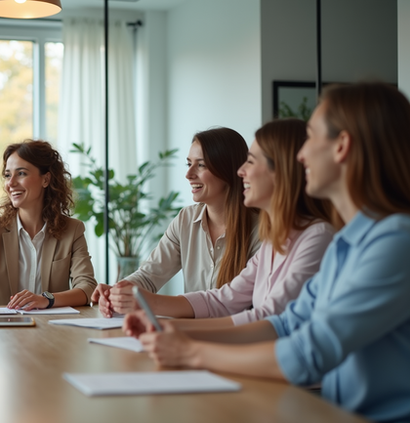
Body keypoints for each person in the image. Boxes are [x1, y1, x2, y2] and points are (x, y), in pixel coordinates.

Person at [124, 82, 410, 422]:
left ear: (342, 147)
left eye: (312, 137)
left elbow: (308, 353)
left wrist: (192, 352)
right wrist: (176, 332)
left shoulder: (394, 243)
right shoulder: (347, 244)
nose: (302, 155)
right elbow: (285, 322)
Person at [129, 119, 337, 328]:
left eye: (251, 162)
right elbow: (223, 300)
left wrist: (177, 331)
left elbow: (270, 319)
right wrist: (141, 302)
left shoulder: (316, 236)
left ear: (282, 172)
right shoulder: (274, 240)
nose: (241, 171)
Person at [92, 127, 260, 317]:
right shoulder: (185, 220)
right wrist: (118, 291)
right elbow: (149, 276)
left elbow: (231, 303)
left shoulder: (261, 230)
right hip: (187, 334)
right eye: (188, 164)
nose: (188, 174)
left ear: (228, 170)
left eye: (201, 165)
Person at [0, 140, 97, 313]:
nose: (11, 183)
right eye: (8, 175)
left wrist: (45, 299)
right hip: (1, 331)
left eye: (21, 173)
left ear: (46, 179)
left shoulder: (72, 230)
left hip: (53, 330)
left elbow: (87, 287)